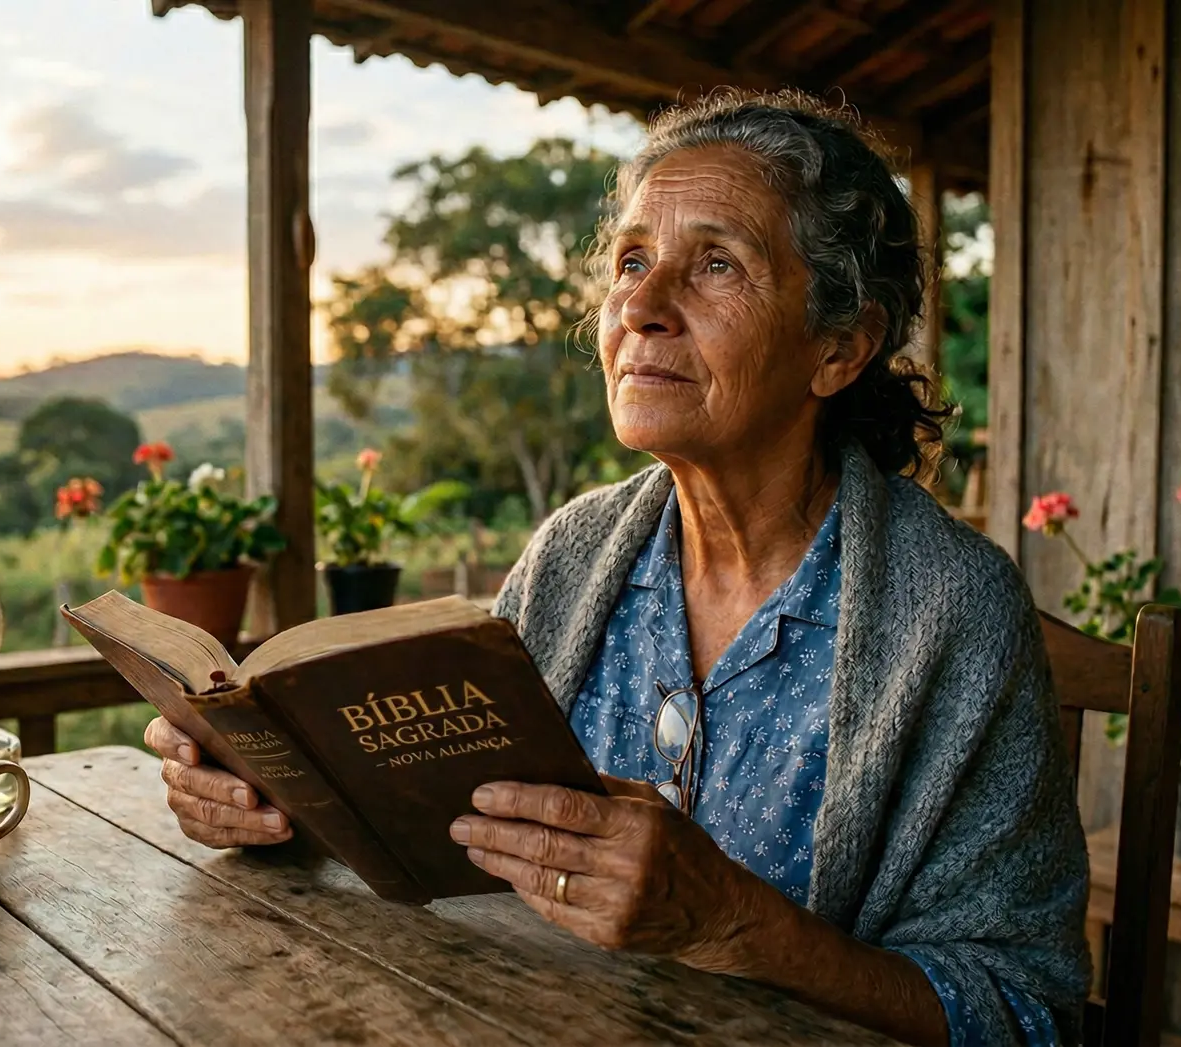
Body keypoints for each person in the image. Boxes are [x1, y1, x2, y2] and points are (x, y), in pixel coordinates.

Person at [143, 89, 1088, 1046]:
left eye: (716, 264)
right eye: (632, 262)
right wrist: (277, 800)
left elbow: (1027, 1011)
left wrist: (733, 922)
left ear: (839, 348)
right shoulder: (574, 554)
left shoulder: (953, 609)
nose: (640, 305)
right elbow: (447, 832)